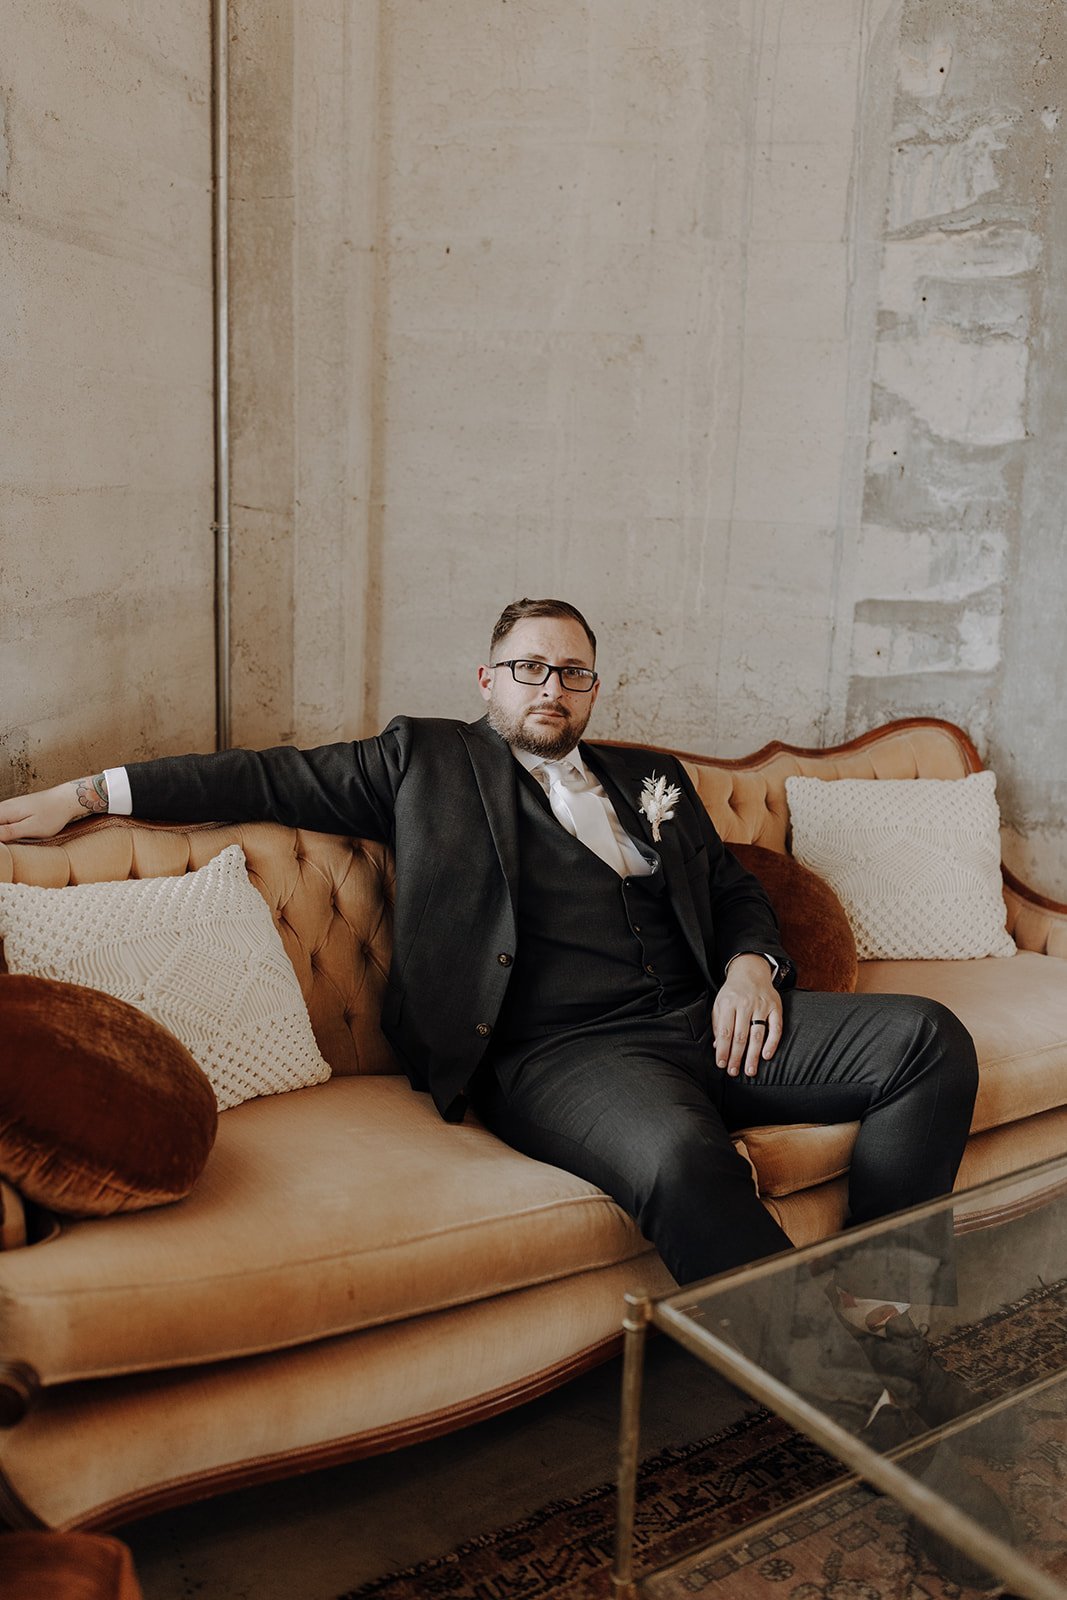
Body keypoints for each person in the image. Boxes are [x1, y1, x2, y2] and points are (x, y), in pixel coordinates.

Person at [0, 597, 977, 1306]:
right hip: (558, 1055)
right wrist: (89, 795)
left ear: (592, 687)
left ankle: (885, 1303)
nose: (550, 688)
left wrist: (749, 966)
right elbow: (260, 773)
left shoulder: (649, 779)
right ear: (488, 680)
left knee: (926, 1040)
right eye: (528, 668)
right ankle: (841, 1399)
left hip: (702, 1019)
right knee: (685, 1160)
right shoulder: (422, 762)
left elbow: (726, 887)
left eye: (571, 672)